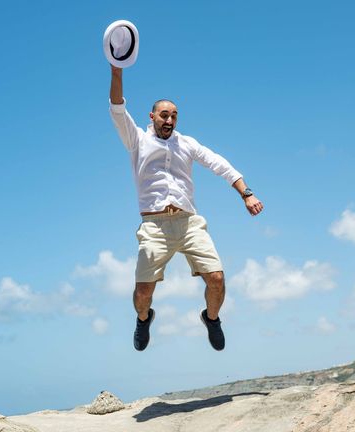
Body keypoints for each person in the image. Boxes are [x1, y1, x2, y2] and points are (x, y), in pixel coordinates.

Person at [109, 65, 263, 351]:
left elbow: (219, 164)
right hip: (154, 227)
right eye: (164, 115)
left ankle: (212, 318)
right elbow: (117, 109)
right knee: (143, 292)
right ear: (152, 117)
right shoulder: (137, 141)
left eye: (174, 116)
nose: (169, 120)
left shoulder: (187, 144)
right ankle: (143, 319)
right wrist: (117, 70)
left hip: (189, 222)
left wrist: (246, 194)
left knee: (216, 278)